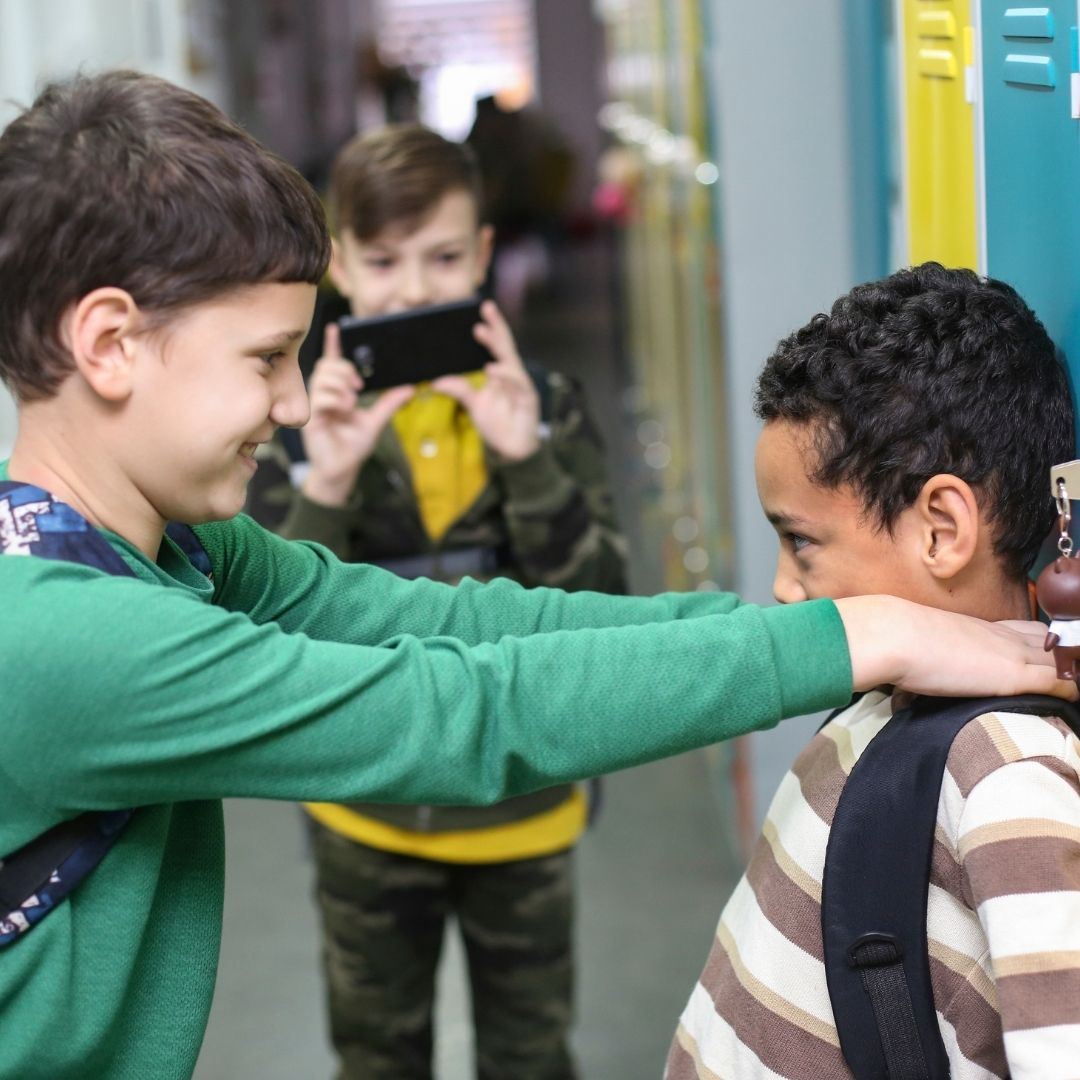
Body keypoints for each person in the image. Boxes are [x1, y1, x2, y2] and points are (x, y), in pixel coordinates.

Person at [0, 73, 1067, 1080]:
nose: (290, 403)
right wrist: (861, 635)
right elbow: (455, 712)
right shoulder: (67, 642)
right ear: (109, 342)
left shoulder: (166, 546)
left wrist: (826, 626)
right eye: (265, 359)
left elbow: (459, 626)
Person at [247, 123, 627, 1080]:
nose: (414, 289)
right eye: (383, 262)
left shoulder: (547, 407)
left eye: (445, 257)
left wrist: (527, 460)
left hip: (524, 800)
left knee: (530, 1057)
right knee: (377, 1056)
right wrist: (328, 484)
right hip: (366, 809)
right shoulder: (292, 427)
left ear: (485, 254)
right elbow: (269, 636)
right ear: (340, 267)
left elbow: (602, 609)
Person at [666, 263, 1080, 1079]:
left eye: (802, 542)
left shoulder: (1009, 781)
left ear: (941, 529)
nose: (783, 587)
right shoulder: (882, 699)